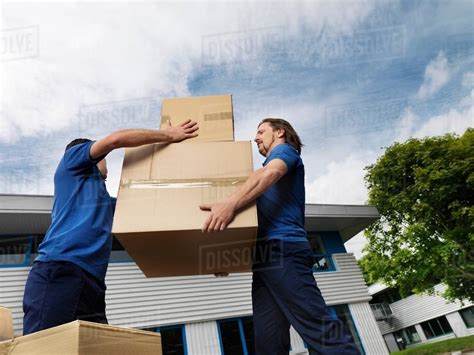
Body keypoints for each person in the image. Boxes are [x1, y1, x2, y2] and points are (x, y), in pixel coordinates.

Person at [22, 120, 198, 335]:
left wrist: (204, 258)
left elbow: (152, 212)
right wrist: (168, 135)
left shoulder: (105, 201)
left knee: (97, 347)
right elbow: (116, 139)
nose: (108, 164)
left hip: (92, 283)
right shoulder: (72, 160)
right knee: (46, 347)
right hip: (60, 271)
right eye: (103, 157)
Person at [200, 118, 360, 354]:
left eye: (261, 131)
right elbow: (256, 224)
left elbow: (272, 172)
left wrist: (229, 203)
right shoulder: (258, 177)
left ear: (280, 132)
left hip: (284, 249)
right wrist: (230, 258)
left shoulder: (286, 152)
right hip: (265, 259)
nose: (256, 137)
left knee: (319, 329)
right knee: (268, 343)